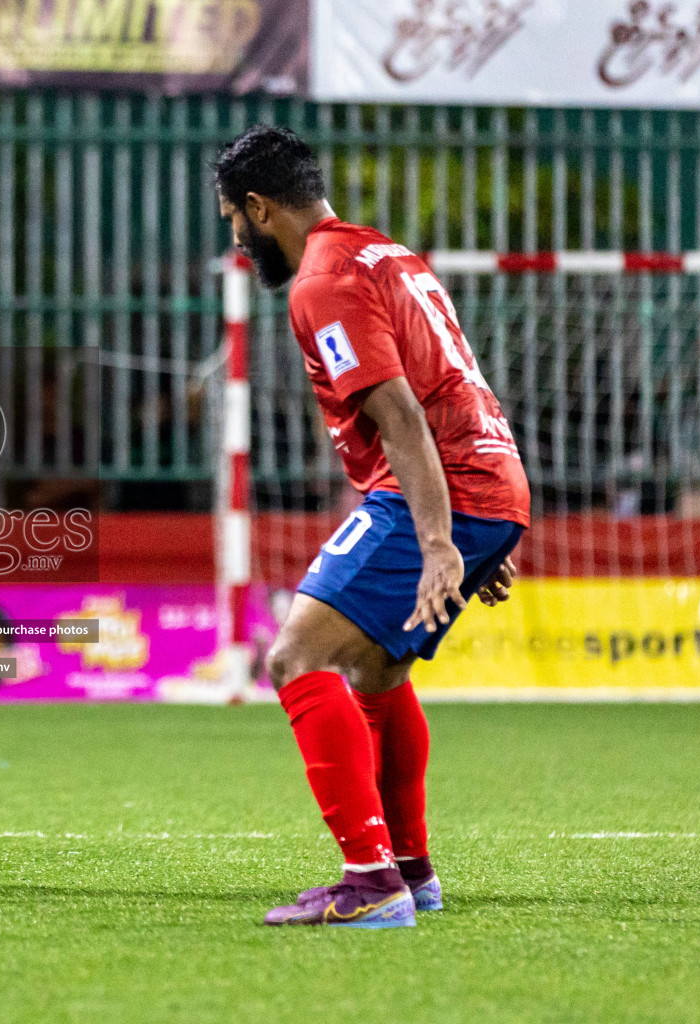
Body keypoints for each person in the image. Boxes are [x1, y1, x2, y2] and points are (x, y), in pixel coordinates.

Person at [213, 125, 529, 928]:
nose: (238, 240)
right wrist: (476, 525)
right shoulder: (389, 255)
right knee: (380, 678)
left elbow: (400, 415)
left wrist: (438, 541)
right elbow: (449, 379)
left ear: (258, 207)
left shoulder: (321, 281)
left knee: (295, 657)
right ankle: (412, 873)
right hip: (488, 479)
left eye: (234, 220)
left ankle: (370, 881)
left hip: (442, 488)